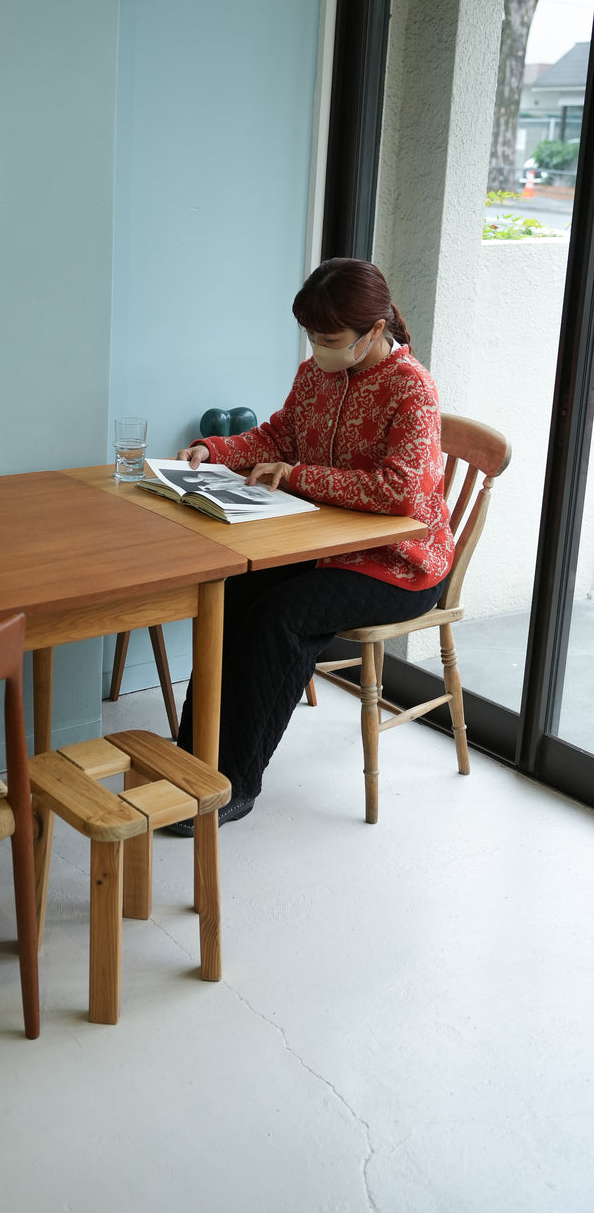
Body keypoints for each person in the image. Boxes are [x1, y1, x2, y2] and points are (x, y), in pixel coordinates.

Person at [166, 258, 454, 835]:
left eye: (329, 339)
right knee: (228, 592)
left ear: (374, 330)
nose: (319, 349)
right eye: (313, 337)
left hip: (399, 565)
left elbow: (400, 491)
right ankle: (187, 765)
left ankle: (233, 784)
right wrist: (215, 450)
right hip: (324, 547)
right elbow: (279, 435)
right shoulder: (314, 374)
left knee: (283, 617)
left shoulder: (411, 389)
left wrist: (297, 475)